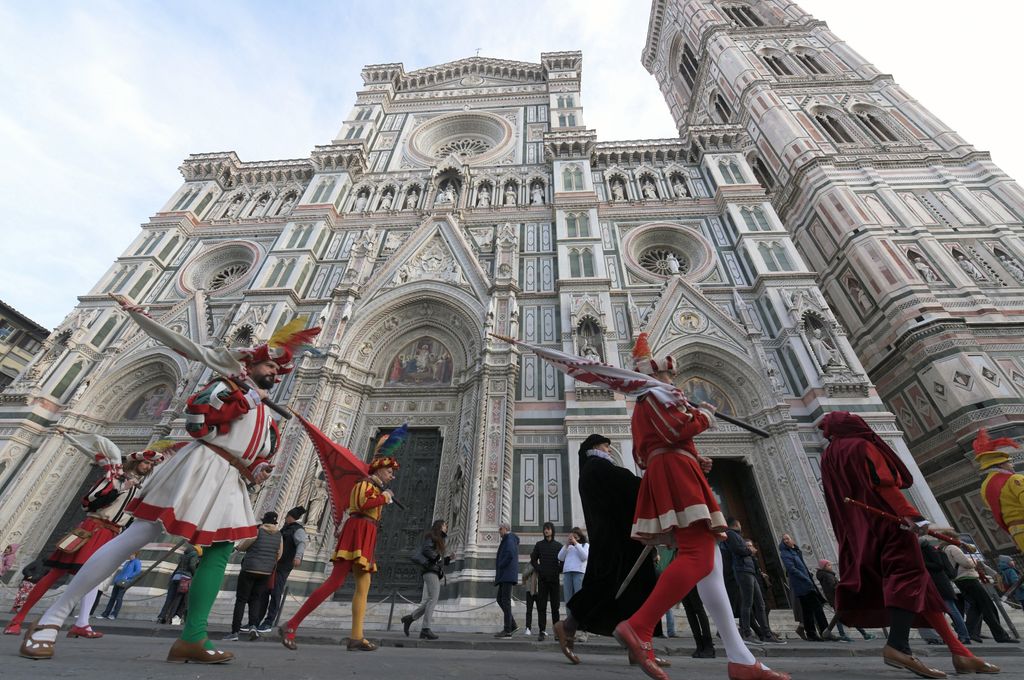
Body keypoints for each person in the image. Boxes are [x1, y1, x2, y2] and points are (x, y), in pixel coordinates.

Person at [21, 300, 315, 664]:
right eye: (270, 365)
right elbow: (197, 422)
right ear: (250, 365)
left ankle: (192, 638)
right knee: (137, 536)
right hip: (199, 468)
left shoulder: (264, 413)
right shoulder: (228, 387)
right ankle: (51, 619)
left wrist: (256, 469)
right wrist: (245, 398)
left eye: (278, 369)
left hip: (228, 480)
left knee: (220, 551)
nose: (275, 372)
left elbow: (251, 452)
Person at [613, 333, 788, 680]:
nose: (672, 380)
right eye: (667, 374)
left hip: (677, 469)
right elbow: (671, 430)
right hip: (676, 475)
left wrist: (693, 457)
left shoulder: (653, 400)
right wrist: (705, 416)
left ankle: (740, 658)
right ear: (653, 375)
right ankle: (640, 626)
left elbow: (658, 444)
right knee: (699, 556)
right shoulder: (653, 396)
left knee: (712, 567)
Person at [818, 411, 999, 677]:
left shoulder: (828, 455)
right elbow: (884, 485)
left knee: (922, 589)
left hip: (860, 531)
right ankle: (898, 646)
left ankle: (961, 653)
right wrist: (914, 517)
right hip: (889, 526)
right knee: (908, 579)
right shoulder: (861, 445)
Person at [7, 434, 162, 639]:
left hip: (113, 534)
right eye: (145, 462)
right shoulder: (114, 478)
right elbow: (89, 502)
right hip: (93, 529)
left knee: (94, 578)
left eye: (151, 464)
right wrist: (119, 489)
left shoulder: (141, 489)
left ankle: (81, 623)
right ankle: (18, 620)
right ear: (136, 462)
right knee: (56, 573)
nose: (147, 466)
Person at [553, 434, 669, 668]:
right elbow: (628, 485)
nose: (608, 449)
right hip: (616, 542)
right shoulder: (597, 467)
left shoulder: (593, 470)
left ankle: (638, 647)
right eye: (606, 446)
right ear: (596, 446)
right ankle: (567, 626)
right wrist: (656, 475)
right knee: (608, 588)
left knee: (630, 592)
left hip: (620, 540)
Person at [279, 450, 400, 652]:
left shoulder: (374, 487)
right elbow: (362, 505)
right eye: (389, 471)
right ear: (378, 470)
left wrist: (382, 495)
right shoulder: (364, 484)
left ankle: (356, 637)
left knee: (364, 585)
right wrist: (384, 498)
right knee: (335, 582)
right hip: (357, 532)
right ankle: (291, 624)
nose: (392, 476)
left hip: (367, 533)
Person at [940, 534, 1015, 644]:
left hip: (960, 581)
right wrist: (974, 561)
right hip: (969, 579)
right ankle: (1000, 635)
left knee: (976, 607)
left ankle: (969, 632)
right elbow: (966, 563)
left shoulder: (944, 550)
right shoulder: (953, 548)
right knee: (988, 607)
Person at [226, 512, 282, 641]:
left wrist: (238, 548)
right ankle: (253, 626)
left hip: (250, 568)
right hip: (266, 572)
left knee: (241, 599)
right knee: (256, 599)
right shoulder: (279, 535)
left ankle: (235, 632)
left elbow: (243, 546)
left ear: (264, 521)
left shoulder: (257, 531)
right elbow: (279, 554)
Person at [256, 506, 308, 633]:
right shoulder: (285, 528)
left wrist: (298, 557)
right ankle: (257, 620)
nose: (285, 518)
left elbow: (302, 543)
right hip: (274, 564)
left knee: (276, 592)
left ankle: (269, 621)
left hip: (284, 566)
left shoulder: (298, 530)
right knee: (265, 592)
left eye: (287, 516)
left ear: (292, 517)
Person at [726, 518, 776, 645]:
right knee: (747, 603)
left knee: (760, 604)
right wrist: (750, 550)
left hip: (750, 571)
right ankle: (746, 632)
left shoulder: (738, 536)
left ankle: (766, 634)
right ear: (736, 524)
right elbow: (737, 550)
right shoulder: (731, 534)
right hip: (742, 570)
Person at [974, 430, 1024, 553]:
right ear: (1001, 465)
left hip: (1015, 532)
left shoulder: (984, 487)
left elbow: (996, 512)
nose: (1012, 465)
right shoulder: (1014, 479)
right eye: (1009, 462)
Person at [402, 519, 452, 640]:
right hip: (430, 571)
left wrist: (447, 559)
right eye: (445, 525)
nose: (446, 528)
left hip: (433, 570)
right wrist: (438, 558)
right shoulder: (432, 536)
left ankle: (410, 618)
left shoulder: (439, 539)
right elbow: (426, 550)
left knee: (431, 599)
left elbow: (437, 559)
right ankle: (425, 629)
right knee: (433, 599)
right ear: (440, 526)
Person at [778, 534, 831, 642]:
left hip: (805, 583)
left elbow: (802, 566)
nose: (786, 540)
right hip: (802, 584)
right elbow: (791, 569)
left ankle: (811, 633)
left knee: (807, 610)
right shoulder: (785, 553)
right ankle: (825, 632)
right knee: (817, 608)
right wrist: (805, 578)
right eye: (784, 539)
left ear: (792, 539)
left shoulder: (796, 551)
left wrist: (808, 576)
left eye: (788, 538)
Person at [918, 538, 971, 645]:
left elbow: (938, 565)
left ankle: (964, 636)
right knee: (941, 613)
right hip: (933, 586)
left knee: (952, 611)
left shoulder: (929, 550)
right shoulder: (925, 550)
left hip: (940, 586)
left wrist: (922, 563)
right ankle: (943, 637)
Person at [815, 559, 874, 642]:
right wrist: (842, 587)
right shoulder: (828, 576)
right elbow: (834, 587)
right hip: (837, 599)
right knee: (845, 616)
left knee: (842, 617)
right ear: (824, 567)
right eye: (828, 565)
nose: (831, 566)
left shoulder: (826, 575)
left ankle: (860, 634)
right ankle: (859, 634)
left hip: (835, 599)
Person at [530, 521, 563, 641]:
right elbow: (533, 559)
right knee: (541, 607)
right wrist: (540, 569)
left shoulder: (558, 546)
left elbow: (563, 561)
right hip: (543, 580)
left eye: (548, 529)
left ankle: (557, 633)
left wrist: (557, 570)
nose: (546, 531)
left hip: (554, 580)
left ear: (552, 531)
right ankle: (542, 631)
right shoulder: (539, 545)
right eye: (545, 529)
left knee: (555, 607)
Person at [157, 544, 200, 625]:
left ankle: (161, 617)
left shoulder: (185, 554)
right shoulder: (194, 554)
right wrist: (195, 574)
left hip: (176, 577)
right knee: (178, 599)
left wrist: (172, 578)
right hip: (185, 578)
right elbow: (191, 565)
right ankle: (171, 618)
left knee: (169, 598)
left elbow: (178, 567)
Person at [493, 523, 520, 638]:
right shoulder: (508, 539)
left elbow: (510, 554)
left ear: (505, 529)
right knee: (500, 599)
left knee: (505, 601)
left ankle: (507, 629)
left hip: (507, 574)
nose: (499, 531)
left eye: (500, 529)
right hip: (505, 575)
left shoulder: (509, 539)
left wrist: (501, 565)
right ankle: (512, 625)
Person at [99, 553, 142, 620]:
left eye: (131, 554)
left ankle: (114, 614)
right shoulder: (127, 562)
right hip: (118, 581)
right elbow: (122, 571)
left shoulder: (137, 561)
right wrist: (117, 578)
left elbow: (138, 571)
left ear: (135, 554)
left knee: (119, 598)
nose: (129, 556)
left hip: (125, 582)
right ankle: (105, 614)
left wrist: (128, 577)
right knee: (112, 598)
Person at [558, 528, 589, 610]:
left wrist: (575, 543)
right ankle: (569, 617)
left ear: (580, 537)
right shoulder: (568, 547)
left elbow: (584, 557)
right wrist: (566, 545)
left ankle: (579, 617)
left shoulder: (585, 545)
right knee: (568, 598)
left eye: (575, 537)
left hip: (579, 574)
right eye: (572, 537)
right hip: (567, 573)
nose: (573, 539)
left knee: (578, 597)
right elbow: (560, 557)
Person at [522, 563, 538, 636]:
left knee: (541, 610)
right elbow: (524, 574)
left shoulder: (541, 563)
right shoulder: (528, 565)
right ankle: (528, 628)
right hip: (529, 590)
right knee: (529, 610)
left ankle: (542, 629)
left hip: (539, 590)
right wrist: (532, 567)